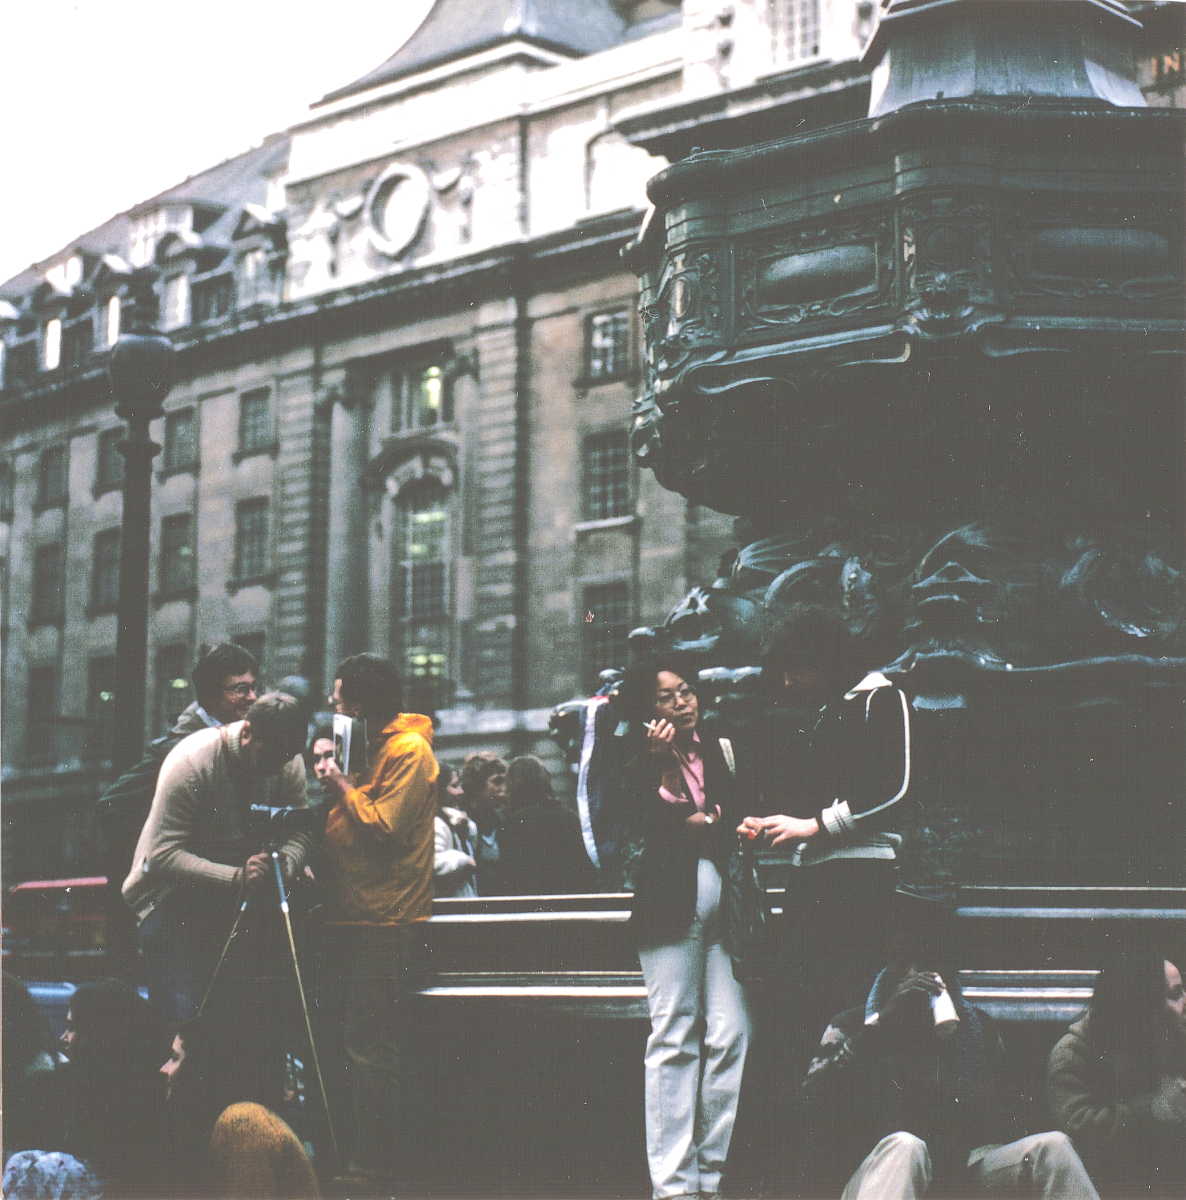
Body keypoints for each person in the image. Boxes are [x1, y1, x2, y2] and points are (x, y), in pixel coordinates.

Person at [799, 910, 1099, 1199]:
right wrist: (880, 1027)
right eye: (908, 964)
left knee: (1053, 1147)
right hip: (877, 1177)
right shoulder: (851, 1025)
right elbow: (813, 1105)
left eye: (933, 965)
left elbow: (1002, 1119)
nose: (920, 977)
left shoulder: (978, 1030)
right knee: (907, 1147)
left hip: (957, 1174)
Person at [619, 656, 757, 1200]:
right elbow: (632, 822)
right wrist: (662, 776)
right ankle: (673, 1185)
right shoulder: (633, 755)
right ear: (646, 709)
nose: (682, 702)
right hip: (668, 905)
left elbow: (735, 810)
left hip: (726, 904)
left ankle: (711, 1173)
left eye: (687, 690)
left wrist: (726, 822)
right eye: (666, 696)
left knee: (732, 1033)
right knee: (674, 1036)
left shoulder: (720, 746)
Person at [122, 692, 313, 1029]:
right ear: (248, 733)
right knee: (185, 1026)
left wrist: (287, 861)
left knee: (241, 1030)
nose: (277, 767)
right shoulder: (194, 762)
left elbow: (298, 829)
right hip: (170, 901)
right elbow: (163, 854)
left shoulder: (287, 761)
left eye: (286, 757)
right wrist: (237, 876)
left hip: (233, 904)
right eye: (270, 756)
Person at [318, 653, 437, 1182]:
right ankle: (355, 1151)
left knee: (371, 1044)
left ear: (360, 703)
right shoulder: (372, 747)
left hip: (385, 919)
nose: (331, 703)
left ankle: (374, 1162)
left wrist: (342, 785)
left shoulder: (409, 751)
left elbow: (385, 826)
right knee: (353, 1040)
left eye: (338, 695)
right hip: (354, 913)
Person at [95, 642, 260, 972]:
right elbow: (111, 806)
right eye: (240, 689)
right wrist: (159, 856)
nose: (252, 697)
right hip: (183, 908)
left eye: (255, 687)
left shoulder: (237, 743)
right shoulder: (178, 750)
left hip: (218, 901)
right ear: (211, 696)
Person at [1047, 948, 1186, 1197]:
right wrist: (1154, 1110)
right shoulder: (1072, 1053)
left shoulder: (1174, 1036)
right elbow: (1080, 1137)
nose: (1185, 1002)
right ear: (1145, 1004)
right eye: (1175, 994)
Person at [53, 979, 171, 1197]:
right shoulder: (154, 1094)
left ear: (97, 1033)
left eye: (72, 1027)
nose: (64, 1038)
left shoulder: (69, 1089)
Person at [498, 755, 596, 894]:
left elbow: (511, 877)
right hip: (570, 901)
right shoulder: (569, 818)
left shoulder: (511, 825)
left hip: (531, 905)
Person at [460, 751, 509, 894]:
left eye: (505, 782)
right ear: (477, 785)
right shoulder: (461, 824)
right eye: (497, 782)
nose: (504, 789)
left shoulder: (503, 821)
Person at [434, 762, 478, 898]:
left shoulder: (454, 822)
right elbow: (432, 862)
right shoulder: (435, 823)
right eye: (454, 786)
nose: (461, 791)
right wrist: (463, 860)